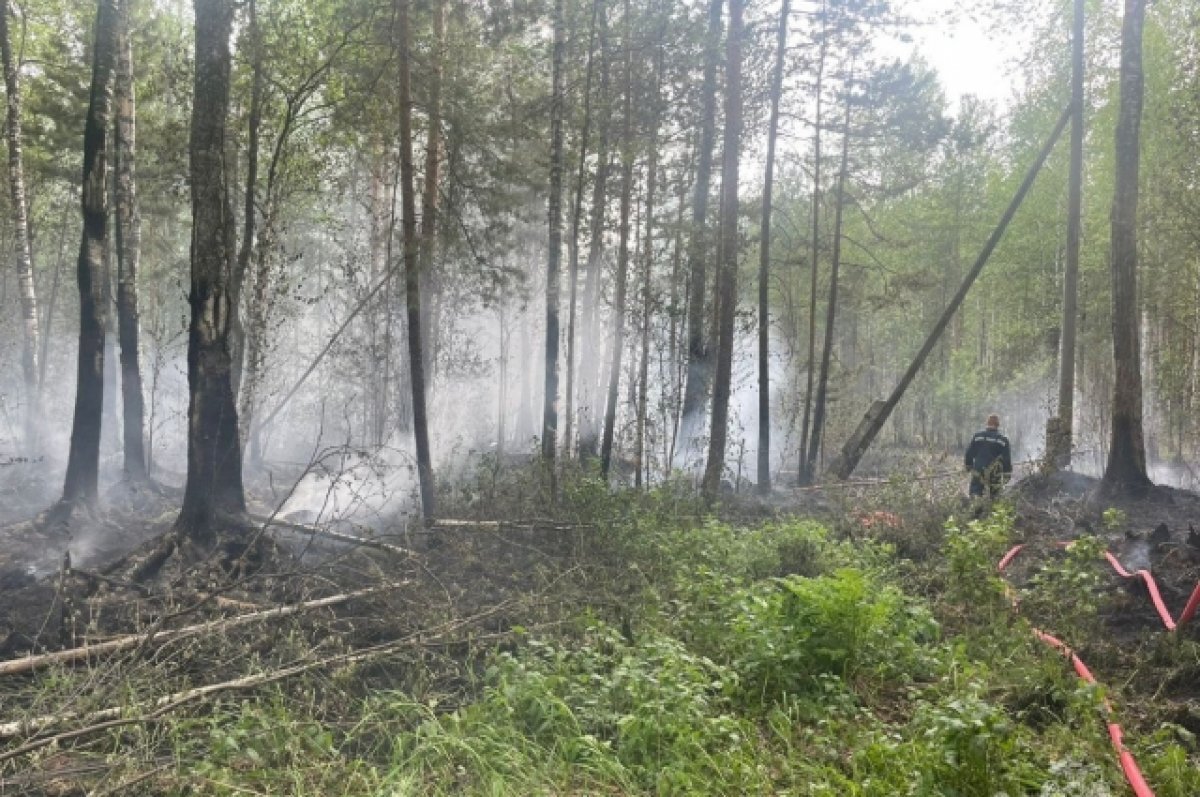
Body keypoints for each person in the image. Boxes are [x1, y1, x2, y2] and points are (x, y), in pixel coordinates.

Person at [964, 414, 1012, 498]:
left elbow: (969, 453)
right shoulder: (1003, 440)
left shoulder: (978, 436)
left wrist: (969, 466)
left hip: (978, 469)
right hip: (995, 471)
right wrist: (1007, 474)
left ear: (987, 423)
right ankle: (993, 504)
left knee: (975, 493)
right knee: (995, 494)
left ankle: (975, 504)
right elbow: (1006, 459)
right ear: (998, 425)